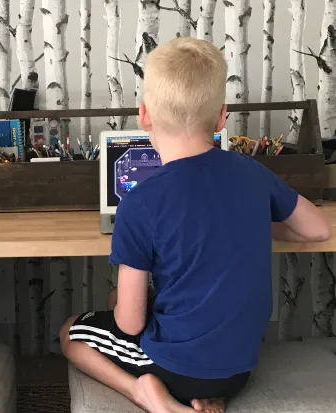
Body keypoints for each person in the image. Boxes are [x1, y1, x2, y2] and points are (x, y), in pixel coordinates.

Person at [60, 37, 331, 413]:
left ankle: (144, 394)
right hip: (238, 370)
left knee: (72, 331)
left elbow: (131, 322)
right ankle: (208, 398)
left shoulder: (139, 202)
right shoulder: (252, 172)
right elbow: (318, 228)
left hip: (176, 370)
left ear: (144, 115)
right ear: (222, 116)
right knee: (122, 301)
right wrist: (244, 220)